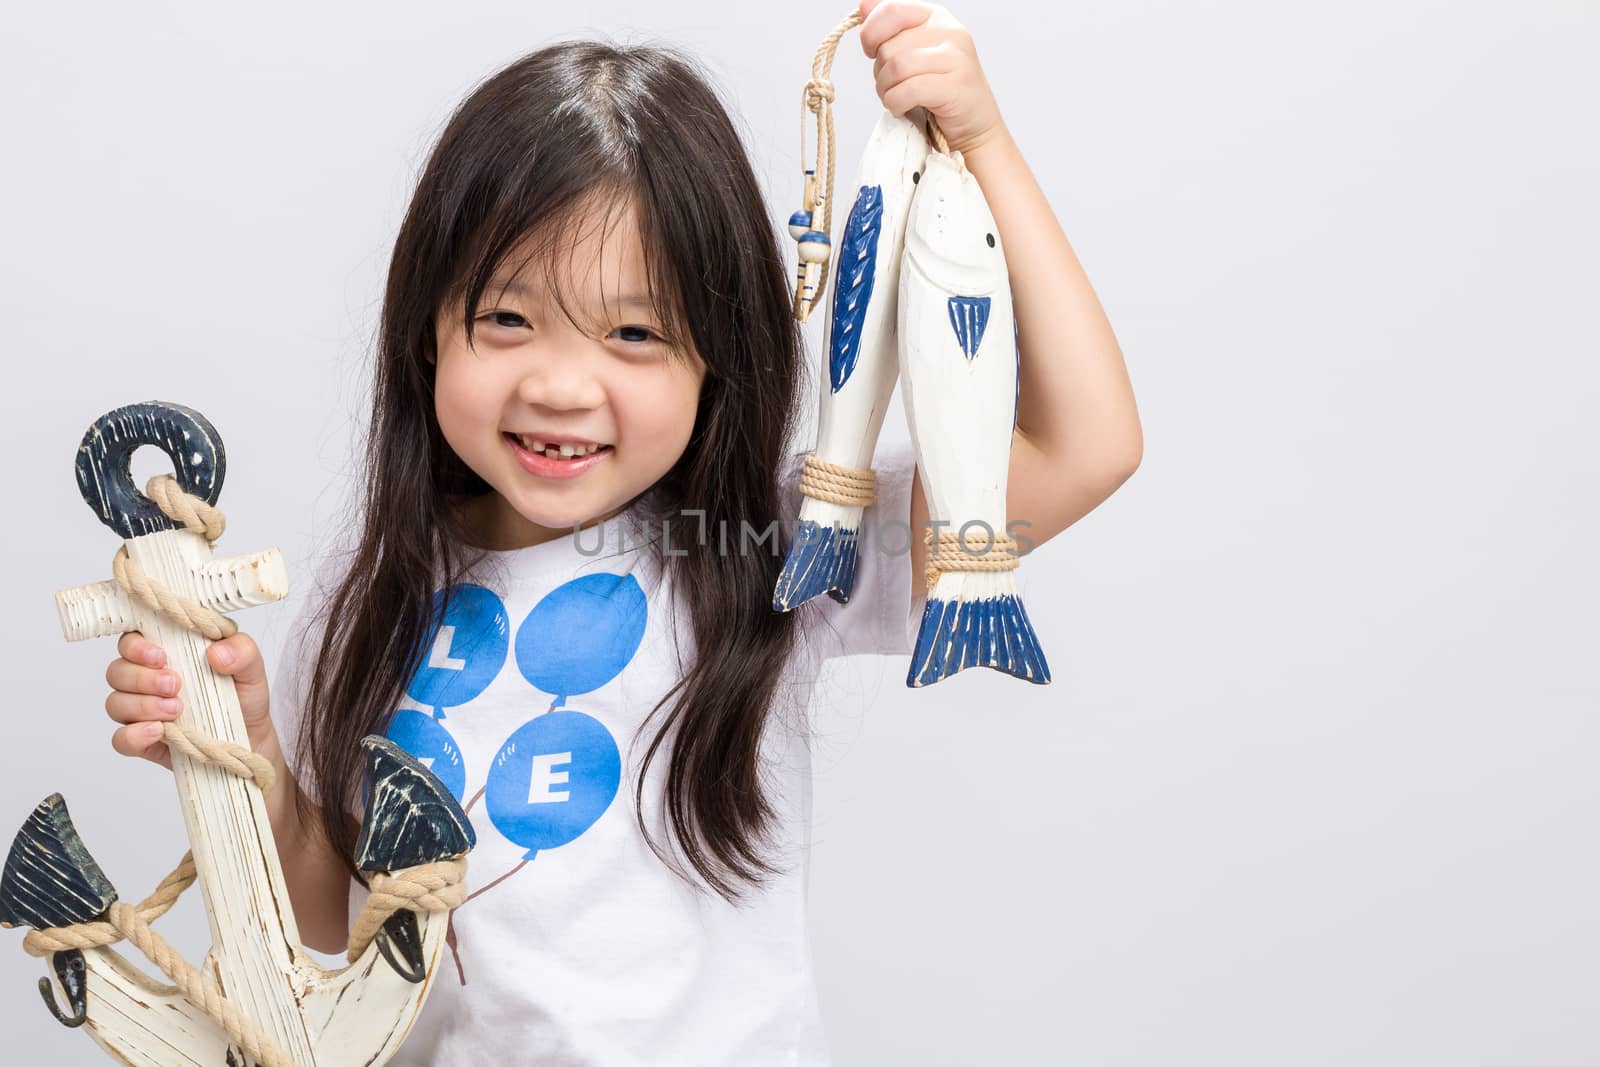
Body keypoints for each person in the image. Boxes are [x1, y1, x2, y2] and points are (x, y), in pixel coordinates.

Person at [97, 2, 1142, 1062]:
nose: (558, 384)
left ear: (717, 362)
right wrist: (254, 758)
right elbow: (340, 915)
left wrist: (984, 145)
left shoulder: (769, 550)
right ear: (426, 330)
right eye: (506, 317)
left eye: (633, 331)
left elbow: (1083, 446)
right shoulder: (372, 594)